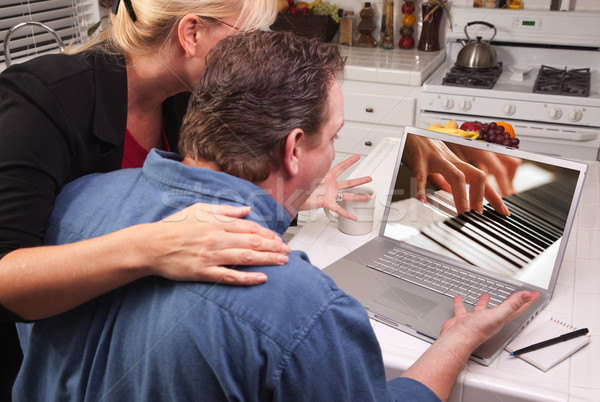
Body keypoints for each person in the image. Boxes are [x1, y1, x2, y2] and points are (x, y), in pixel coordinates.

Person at [14, 30, 539, 402]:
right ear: (293, 149)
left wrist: (290, 203)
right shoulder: (304, 309)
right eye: (332, 137)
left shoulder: (74, 203)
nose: (333, 150)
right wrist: (457, 340)